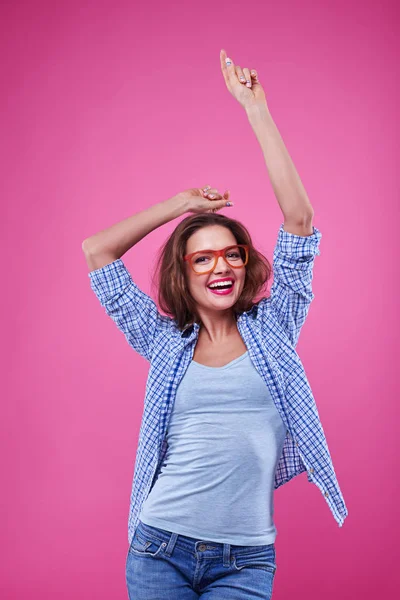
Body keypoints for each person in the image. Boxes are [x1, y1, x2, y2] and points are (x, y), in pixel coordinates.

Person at [82, 50, 348, 600]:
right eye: (202, 258)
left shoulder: (274, 329)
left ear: (246, 263)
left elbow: (300, 223)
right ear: (185, 272)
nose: (219, 266)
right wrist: (178, 204)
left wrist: (257, 111)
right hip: (160, 549)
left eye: (231, 254)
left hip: (246, 560)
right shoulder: (163, 343)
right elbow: (97, 251)